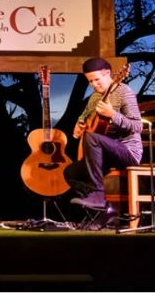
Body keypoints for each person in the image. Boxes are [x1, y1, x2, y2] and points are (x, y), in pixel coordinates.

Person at [63, 57, 142, 211]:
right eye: (90, 81)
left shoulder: (124, 92)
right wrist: (79, 126)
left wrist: (113, 114)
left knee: (93, 138)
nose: (93, 84)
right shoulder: (94, 97)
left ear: (109, 74)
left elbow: (137, 126)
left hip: (127, 152)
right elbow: (83, 117)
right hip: (102, 155)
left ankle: (98, 195)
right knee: (70, 172)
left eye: (97, 80)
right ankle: (106, 212)